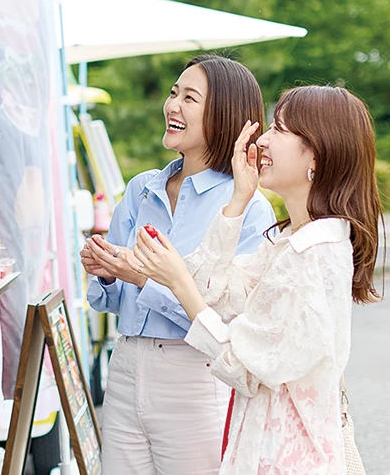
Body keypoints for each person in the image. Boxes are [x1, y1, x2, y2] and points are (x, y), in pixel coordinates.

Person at [130, 86, 383, 474]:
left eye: (279, 129)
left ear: (315, 155)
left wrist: (178, 282)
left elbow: (244, 368)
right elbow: (216, 294)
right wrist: (239, 198)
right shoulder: (293, 241)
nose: (262, 140)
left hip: (285, 458)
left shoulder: (310, 254)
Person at [80, 55, 277, 475]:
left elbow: (230, 318)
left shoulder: (247, 207)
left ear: (223, 114)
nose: (172, 105)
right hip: (126, 365)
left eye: (190, 98)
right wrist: (107, 271)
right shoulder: (141, 189)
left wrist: (142, 278)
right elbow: (108, 300)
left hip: (195, 375)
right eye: (173, 93)